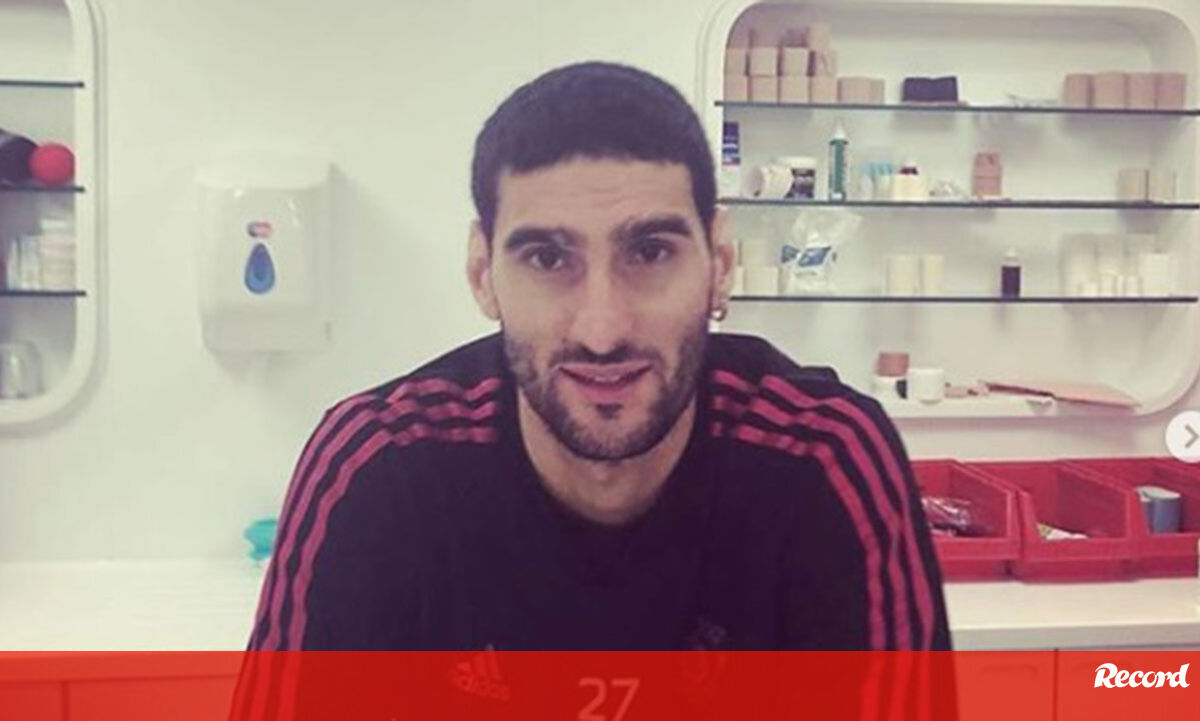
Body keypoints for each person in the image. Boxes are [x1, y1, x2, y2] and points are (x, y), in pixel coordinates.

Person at [244, 61, 950, 654]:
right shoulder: (380, 464)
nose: (603, 329)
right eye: (548, 258)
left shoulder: (822, 461)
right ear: (483, 274)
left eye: (650, 252)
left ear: (719, 265)